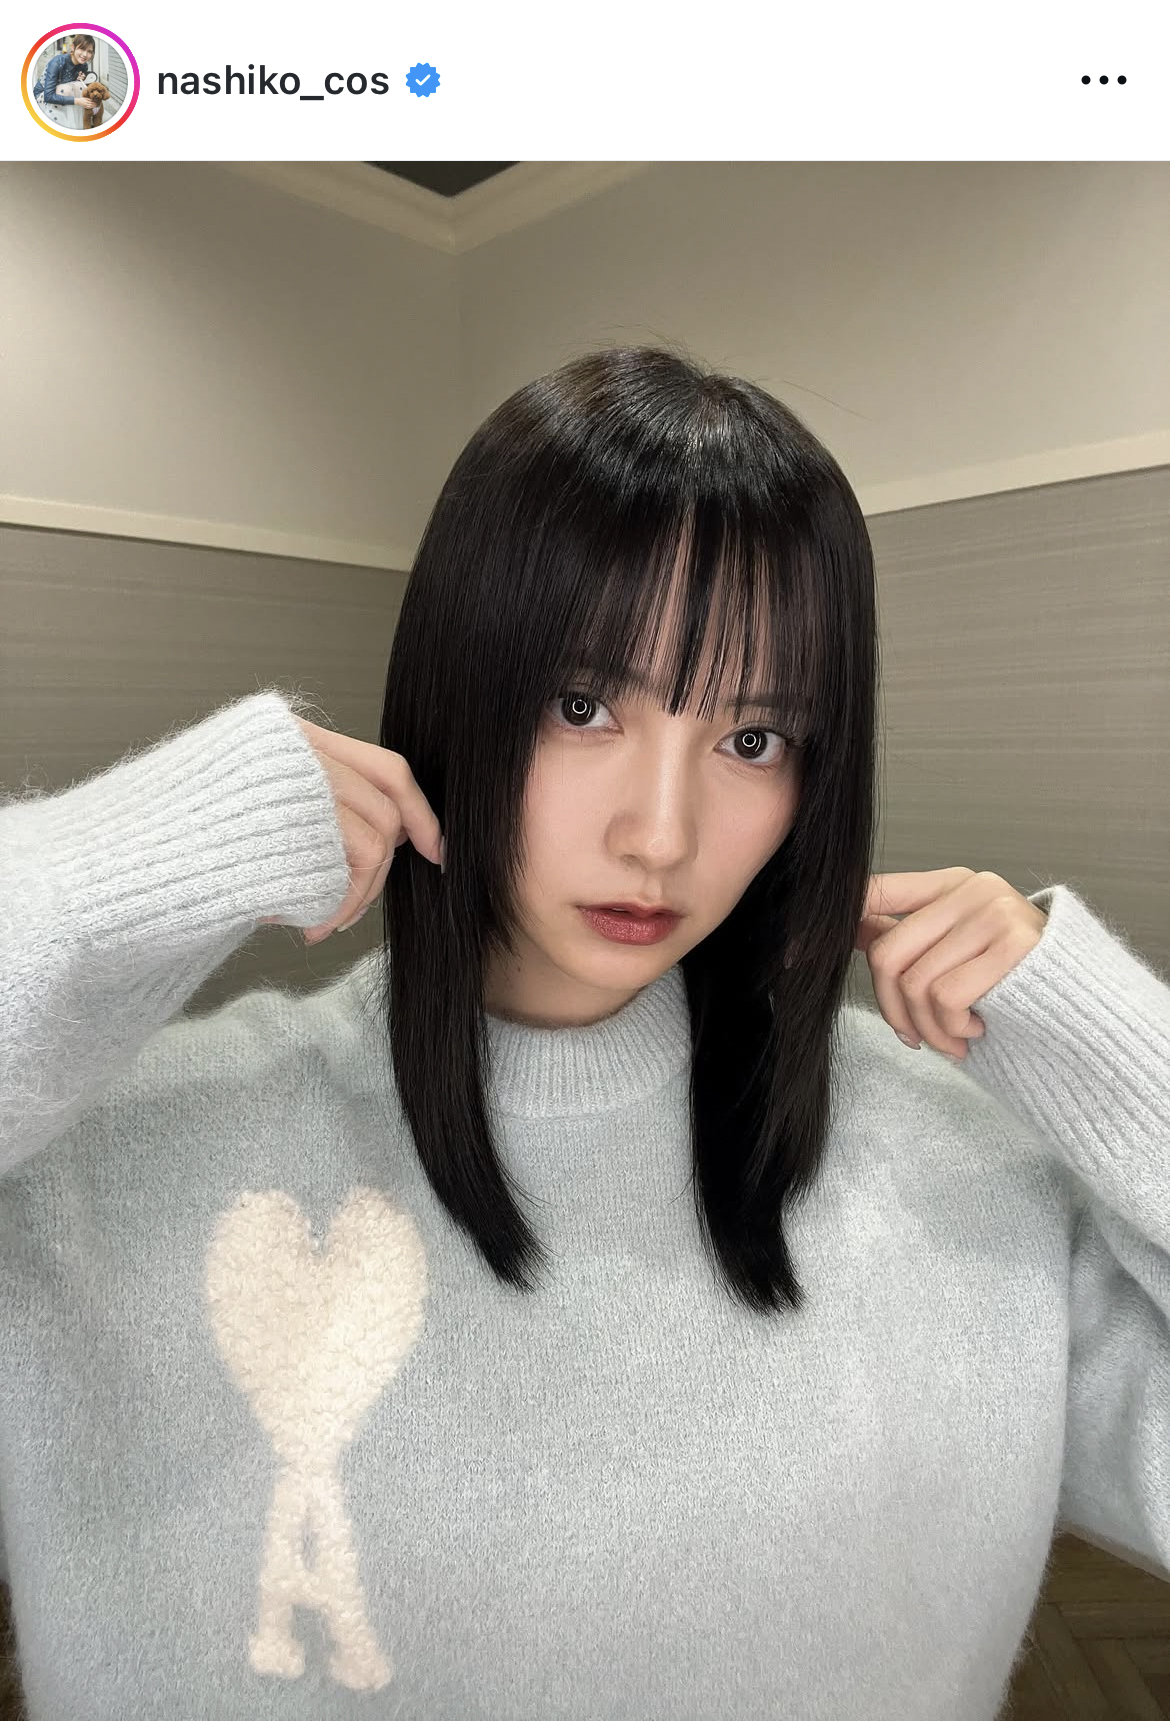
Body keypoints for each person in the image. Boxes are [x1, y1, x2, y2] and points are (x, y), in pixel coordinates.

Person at [1, 344, 1168, 1719]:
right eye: (580, 706)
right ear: (457, 686)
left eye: (754, 739)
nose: (659, 834)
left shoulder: (966, 1180)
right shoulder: (116, 1164)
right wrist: (96, 880)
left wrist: (1113, 1054)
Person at [32, 34, 97, 125]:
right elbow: (48, 97)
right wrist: (78, 101)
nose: (85, 54)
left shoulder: (83, 65)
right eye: (82, 49)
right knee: (67, 89)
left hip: (61, 94)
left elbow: (73, 82)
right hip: (42, 99)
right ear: (73, 47)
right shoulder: (57, 62)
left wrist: (80, 78)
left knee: (79, 86)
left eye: (89, 51)